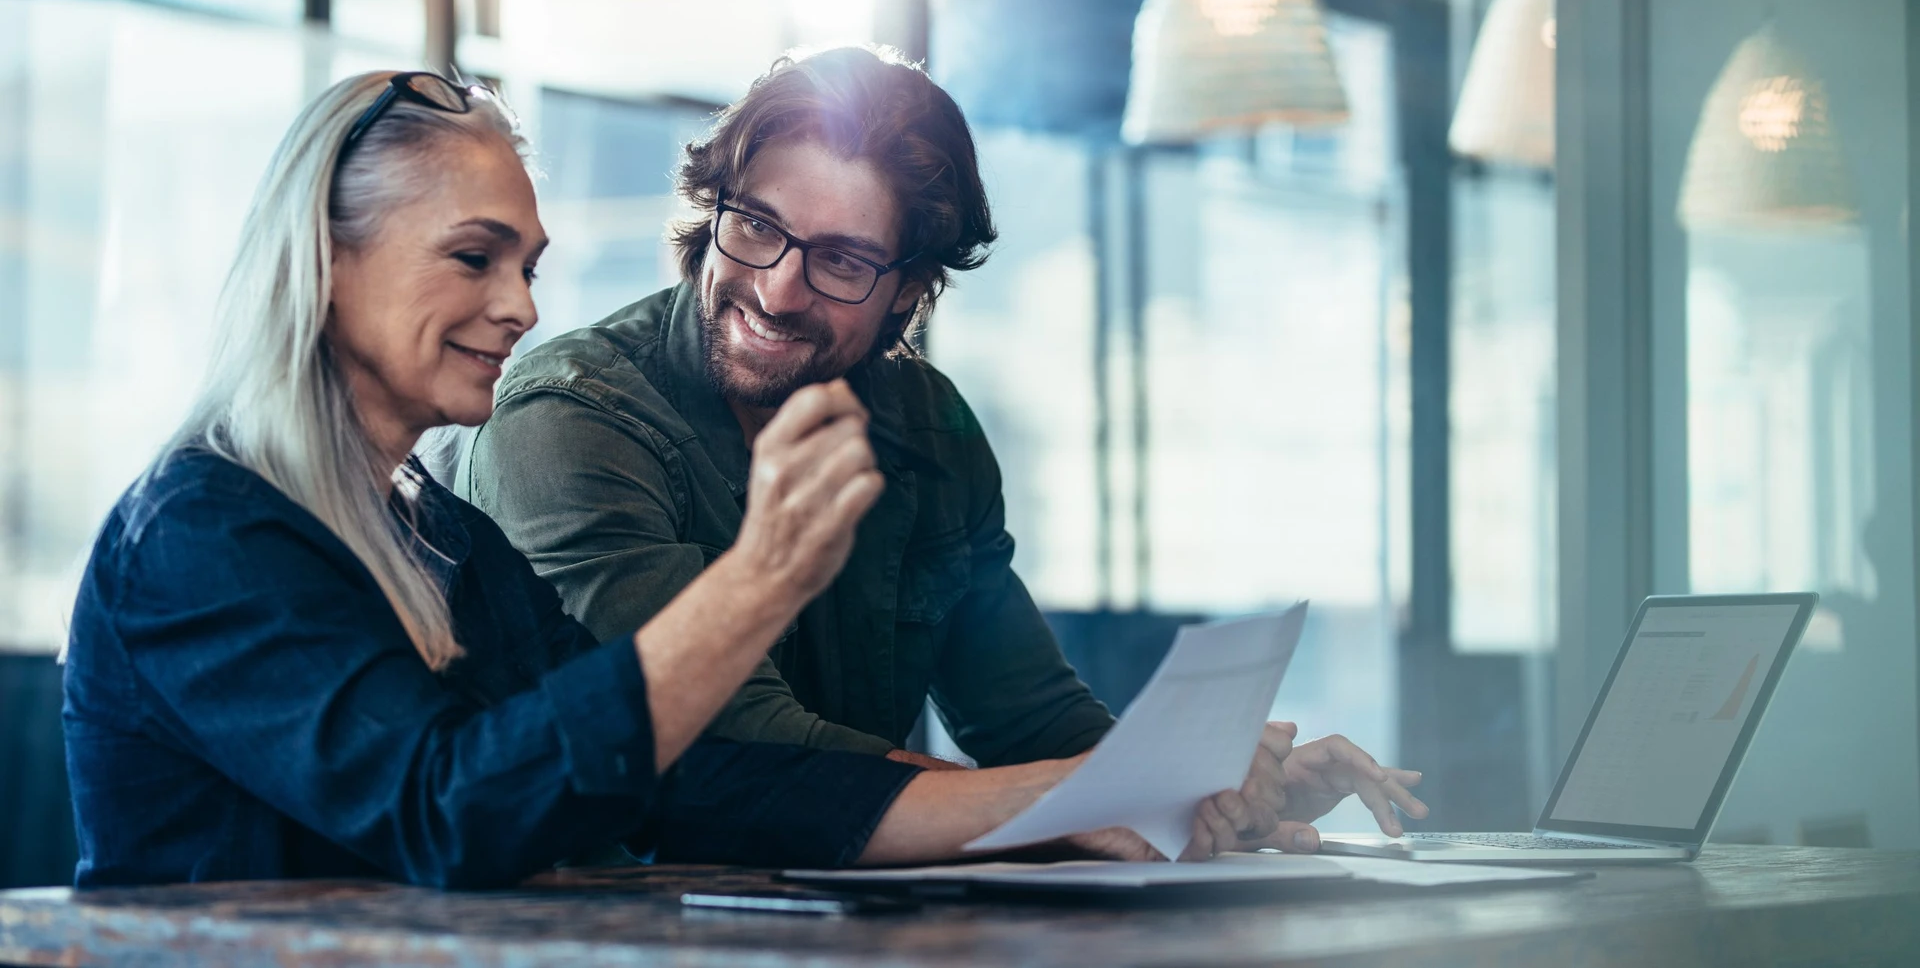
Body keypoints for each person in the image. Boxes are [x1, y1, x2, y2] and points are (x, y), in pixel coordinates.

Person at [60, 70, 1284, 891]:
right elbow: (447, 810)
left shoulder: (440, 536)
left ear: (909, 291)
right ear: (322, 262)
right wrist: (758, 581)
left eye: (527, 263)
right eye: (475, 257)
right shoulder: (198, 534)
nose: (521, 306)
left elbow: (686, 780)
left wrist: (1105, 794)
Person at [465, 45, 1424, 844]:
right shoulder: (574, 419)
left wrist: (1199, 797)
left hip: (844, 923)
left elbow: (1030, 717)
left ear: (910, 289)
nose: (778, 289)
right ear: (714, 212)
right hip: (605, 922)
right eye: (756, 226)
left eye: (840, 259)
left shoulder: (928, 427)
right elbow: (740, 741)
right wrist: (1090, 800)